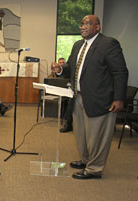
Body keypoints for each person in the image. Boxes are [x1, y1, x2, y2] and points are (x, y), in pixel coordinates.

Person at [51, 15, 128, 179]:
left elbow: (120, 72)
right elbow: (71, 66)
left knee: (97, 136)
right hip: (79, 97)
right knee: (81, 134)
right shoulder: (78, 45)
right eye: (82, 23)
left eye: (88, 23)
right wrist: (60, 69)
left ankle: (94, 168)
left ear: (98, 27)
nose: (83, 26)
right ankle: (86, 160)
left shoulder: (109, 44)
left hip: (101, 99)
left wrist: (119, 98)